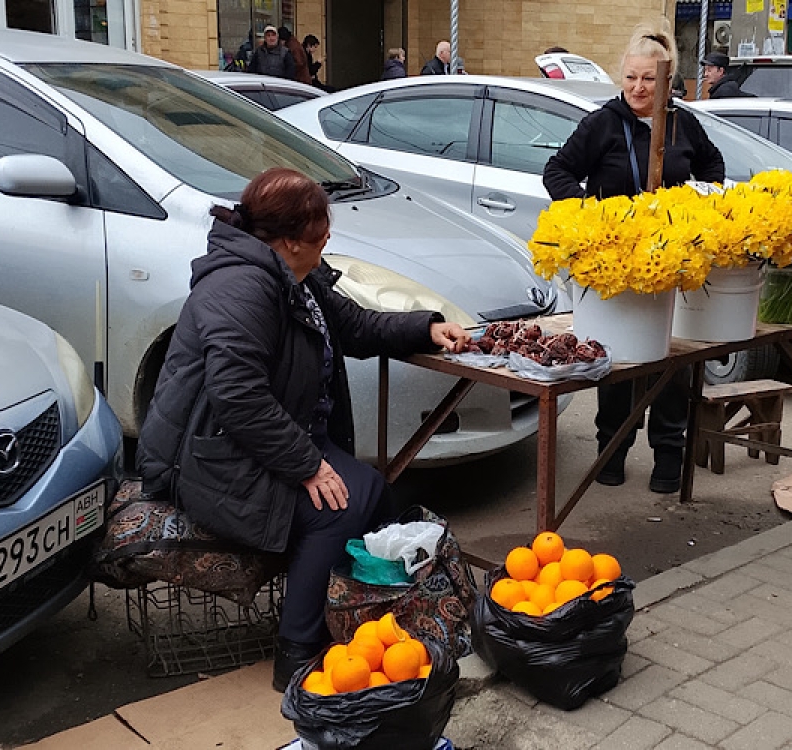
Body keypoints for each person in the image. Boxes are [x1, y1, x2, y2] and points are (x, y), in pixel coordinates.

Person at [135, 168, 470, 691]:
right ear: (290, 239)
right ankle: (296, 652)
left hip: (268, 439)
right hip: (209, 457)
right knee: (334, 511)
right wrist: (307, 465)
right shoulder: (240, 286)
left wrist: (425, 326)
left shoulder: (293, 274)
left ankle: (358, 627)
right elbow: (237, 398)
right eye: (321, 234)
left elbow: (355, 325)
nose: (328, 241)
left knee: (374, 491)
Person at [542, 22, 726, 494]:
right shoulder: (602, 123)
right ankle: (612, 450)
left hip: (670, 262)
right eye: (630, 78)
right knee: (617, 361)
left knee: (670, 361)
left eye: (648, 79)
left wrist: (698, 202)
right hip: (615, 262)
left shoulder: (683, 123)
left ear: (666, 82)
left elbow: (712, 165)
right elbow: (557, 171)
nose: (638, 88)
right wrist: (590, 213)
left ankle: (669, 452)